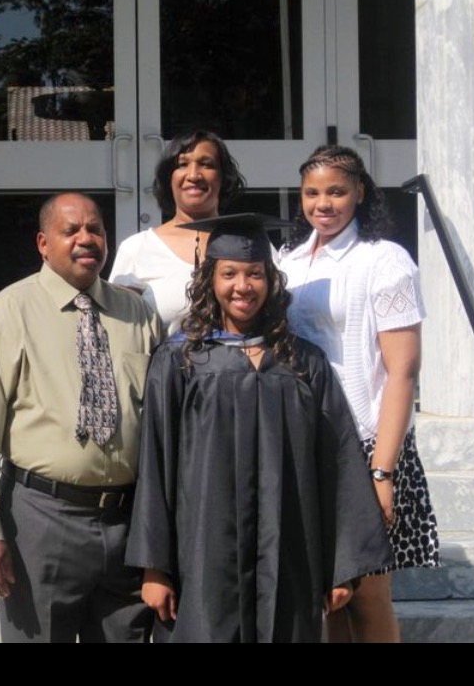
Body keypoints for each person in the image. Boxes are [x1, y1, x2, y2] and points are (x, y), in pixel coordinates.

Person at [125, 213, 393, 643]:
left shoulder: (303, 362)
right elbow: (156, 462)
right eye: (229, 274)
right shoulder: (180, 361)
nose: (242, 286)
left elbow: (336, 461)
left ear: (271, 281)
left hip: (289, 551)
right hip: (203, 551)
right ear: (210, 280)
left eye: (254, 274)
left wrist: (340, 564)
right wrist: (154, 567)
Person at [0, 192, 162, 643]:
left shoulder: (137, 313)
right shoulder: (9, 311)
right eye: (71, 231)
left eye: (95, 229)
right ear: (43, 244)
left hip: (126, 523)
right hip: (41, 520)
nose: (86, 239)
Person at [279, 146, 440, 644]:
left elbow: (403, 372)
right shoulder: (289, 260)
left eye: (336, 191)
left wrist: (382, 471)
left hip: (367, 444)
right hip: (308, 441)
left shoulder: (384, 259)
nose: (323, 204)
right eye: (312, 193)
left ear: (360, 193)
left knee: (368, 593)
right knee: (329, 594)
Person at [108, 130, 246, 333]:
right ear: (168, 177)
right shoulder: (137, 249)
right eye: (182, 164)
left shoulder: (248, 242)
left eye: (206, 164)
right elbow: (120, 331)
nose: (194, 175)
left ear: (223, 177)